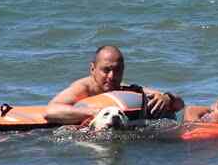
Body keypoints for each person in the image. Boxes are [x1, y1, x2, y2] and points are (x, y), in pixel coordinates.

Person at [44, 45, 183, 126]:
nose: (111, 76)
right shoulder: (83, 88)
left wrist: (167, 97)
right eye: (106, 70)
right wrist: (94, 113)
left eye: (117, 71)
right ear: (93, 69)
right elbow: (50, 111)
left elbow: (179, 104)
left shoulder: (122, 88)